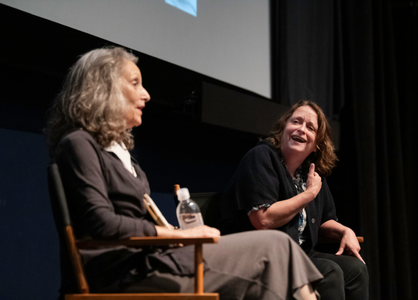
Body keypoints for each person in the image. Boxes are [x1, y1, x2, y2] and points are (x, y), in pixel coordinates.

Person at [45, 46, 323, 300]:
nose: (146, 94)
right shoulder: (79, 144)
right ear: (104, 89)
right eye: (135, 84)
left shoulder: (119, 154)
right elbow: (100, 223)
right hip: (129, 272)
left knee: (277, 251)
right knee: (275, 247)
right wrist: (174, 236)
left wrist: (173, 233)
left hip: (154, 259)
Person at [219, 100, 369, 300]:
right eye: (296, 122)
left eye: (310, 127)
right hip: (260, 257)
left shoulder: (310, 172)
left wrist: (345, 231)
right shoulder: (261, 156)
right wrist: (308, 195)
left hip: (298, 253)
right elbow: (263, 220)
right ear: (283, 129)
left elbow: (324, 219)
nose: (301, 129)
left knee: (356, 270)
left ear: (317, 144)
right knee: (329, 272)